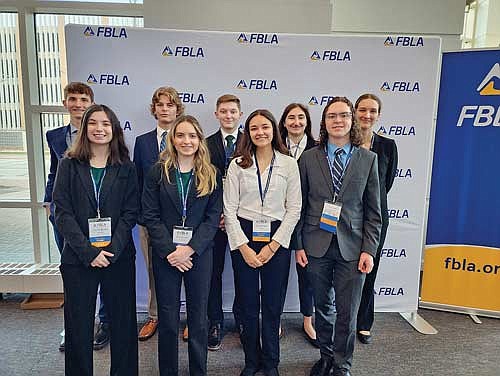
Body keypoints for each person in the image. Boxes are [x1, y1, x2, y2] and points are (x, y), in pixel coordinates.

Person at [294, 97, 382, 376]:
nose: (338, 121)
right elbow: (299, 205)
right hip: (315, 244)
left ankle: (343, 364)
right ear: (324, 122)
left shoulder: (368, 159)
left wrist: (369, 249)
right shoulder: (308, 158)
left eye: (343, 115)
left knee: (347, 311)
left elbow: (373, 210)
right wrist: (298, 245)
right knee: (322, 307)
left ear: (351, 120)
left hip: (353, 248)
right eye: (331, 116)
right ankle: (326, 356)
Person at [53, 104, 139, 376]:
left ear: (114, 129)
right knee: (78, 323)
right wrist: (89, 252)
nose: (99, 129)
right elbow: (62, 211)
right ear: (85, 128)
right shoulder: (68, 164)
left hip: (118, 256)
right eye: (93, 123)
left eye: (105, 124)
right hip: (79, 258)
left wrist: (111, 250)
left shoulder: (126, 167)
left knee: (123, 324)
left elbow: (130, 213)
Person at [142, 115, 222, 376]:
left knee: (198, 317)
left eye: (192, 136)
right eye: (181, 135)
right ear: (172, 139)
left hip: (198, 254)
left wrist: (189, 249)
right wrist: (170, 251)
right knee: (167, 317)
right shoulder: (158, 171)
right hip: (166, 255)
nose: (186, 141)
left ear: (200, 140)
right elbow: (150, 215)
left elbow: (213, 218)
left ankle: (199, 370)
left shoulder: (211, 173)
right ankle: (168, 371)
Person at [224, 109, 301, 376]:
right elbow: (229, 209)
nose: (260, 132)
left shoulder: (289, 164)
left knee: (271, 305)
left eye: (265, 127)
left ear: (274, 130)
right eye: (254, 128)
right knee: (247, 305)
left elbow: (294, 209)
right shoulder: (237, 164)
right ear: (248, 133)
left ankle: (271, 363)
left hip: (277, 237)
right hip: (243, 235)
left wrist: (273, 246)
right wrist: (243, 247)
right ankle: (251, 361)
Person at [44, 82, 110, 352]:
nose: (78, 104)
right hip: (66, 216)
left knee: (105, 267)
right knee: (73, 271)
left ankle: (104, 322)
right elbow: (54, 171)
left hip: (99, 219)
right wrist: (49, 203)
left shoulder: (103, 133)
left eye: (84, 99)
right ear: (65, 103)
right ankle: (74, 327)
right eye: (73, 99)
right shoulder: (55, 136)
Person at [134, 86, 184, 341]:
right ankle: (155, 316)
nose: (165, 109)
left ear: (178, 109)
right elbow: (138, 181)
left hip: (182, 222)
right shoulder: (142, 142)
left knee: (189, 266)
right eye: (161, 105)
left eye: (170, 105)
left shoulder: (188, 138)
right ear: (154, 109)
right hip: (150, 221)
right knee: (154, 269)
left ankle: (192, 317)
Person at [354, 94, 398, 345]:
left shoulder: (388, 146)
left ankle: (364, 322)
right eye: (362, 110)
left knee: (369, 269)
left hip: (375, 218)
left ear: (378, 115)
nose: (366, 115)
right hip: (347, 217)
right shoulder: (344, 143)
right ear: (354, 112)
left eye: (372, 111)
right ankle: (341, 319)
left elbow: (386, 183)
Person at [277, 103, 318, 347]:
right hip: (279, 220)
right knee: (277, 275)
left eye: (300, 117)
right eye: (291, 118)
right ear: (283, 122)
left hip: (309, 221)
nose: (296, 122)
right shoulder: (275, 148)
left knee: (308, 274)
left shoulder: (318, 149)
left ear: (307, 122)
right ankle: (275, 319)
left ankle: (308, 319)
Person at [206, 94, 244, 350]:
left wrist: (234, 216)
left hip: (245, 221)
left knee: (244, 273)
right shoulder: (205, 144)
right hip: (215, 221)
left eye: (233, 111)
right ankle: (215, 322)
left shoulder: (251, 141)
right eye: (224, 111)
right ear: (216, 114)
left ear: (240, 114)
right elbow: (204, 183)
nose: (228, 115)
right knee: (213, 273)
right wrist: (218, 215)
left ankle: (243, 320)